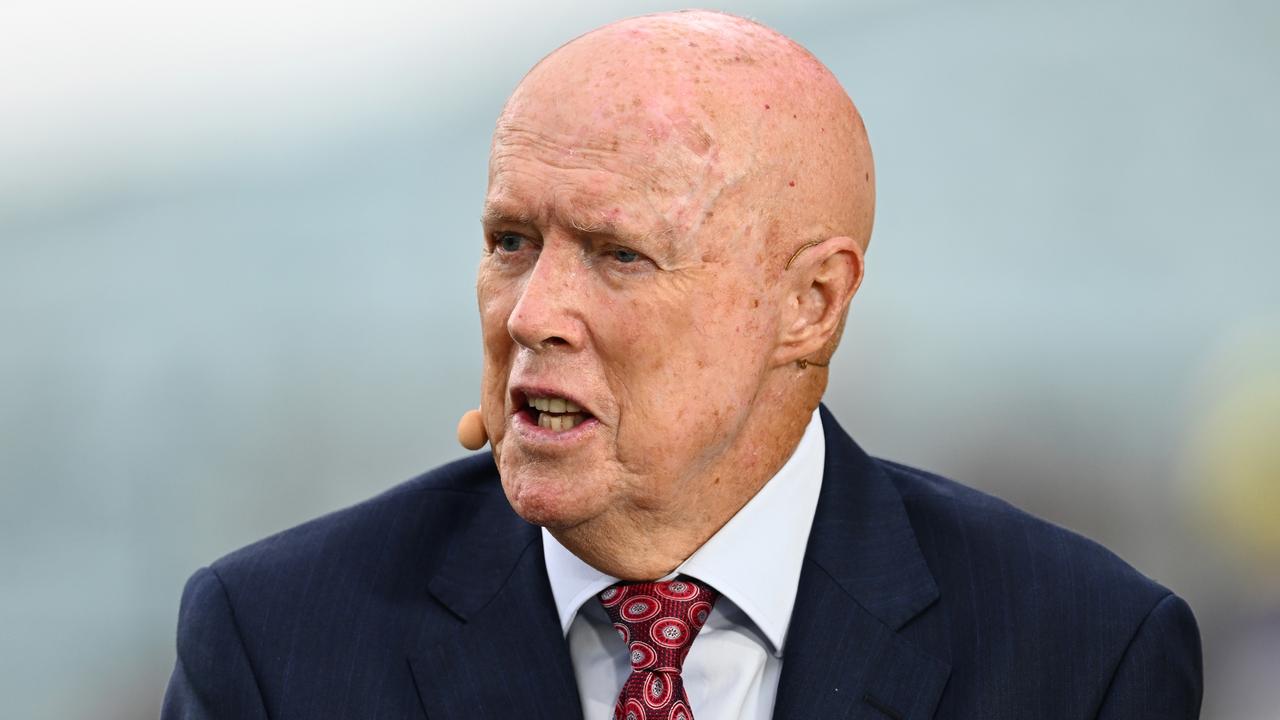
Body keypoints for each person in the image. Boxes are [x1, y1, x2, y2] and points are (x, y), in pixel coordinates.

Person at [162, 10, 1202, 720]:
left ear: (808, 305)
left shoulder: (1081, 652)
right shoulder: (276, 640)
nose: (533, 313)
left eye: (619, 255)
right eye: (511, 242)